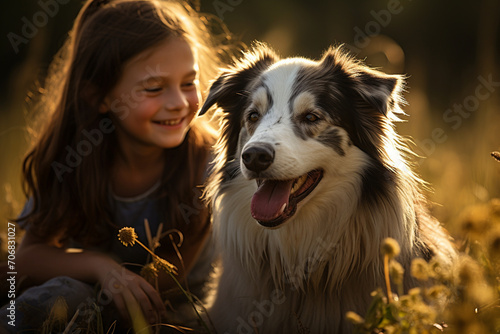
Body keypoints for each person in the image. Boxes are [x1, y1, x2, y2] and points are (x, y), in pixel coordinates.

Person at [2, 0, 233, 331]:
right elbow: (20, 258)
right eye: (154, 87)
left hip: (185, 310)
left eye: (188, 83)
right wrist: (101, 266)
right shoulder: (73, 158)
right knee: (52, 298)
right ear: (100, 96)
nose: (180, 103)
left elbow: (164, 283)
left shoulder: (208, 161)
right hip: (93, 290)